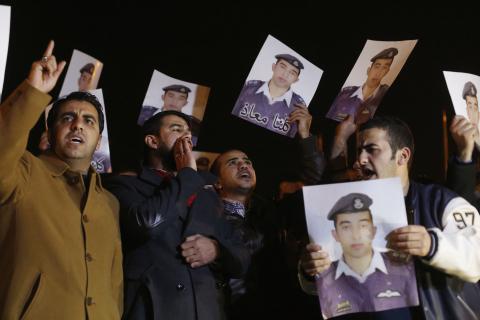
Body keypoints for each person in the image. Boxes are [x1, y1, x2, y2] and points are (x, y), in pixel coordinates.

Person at [300, 116, 480, 319]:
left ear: (402, 156)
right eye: (359, 150)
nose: (361, 159)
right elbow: (330, 284)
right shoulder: (344, 208)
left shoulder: (440, 202)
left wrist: (432, 244)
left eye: (372, 149)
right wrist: (310, 270)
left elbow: (476, 257)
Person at [0, 41, 123, 319]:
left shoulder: (109, 202)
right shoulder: (23, 172)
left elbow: (114, 284)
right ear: (51, 131)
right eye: (67, 118)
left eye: (89, 121)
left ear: (99, 141)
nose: (78, 124)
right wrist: (32, 93)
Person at [104, 110, 250, 320]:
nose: (186, 137)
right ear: (152, 141)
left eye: (189, 133)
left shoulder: (207, 194)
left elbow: (242, 258)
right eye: (176, 129)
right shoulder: (124, 184)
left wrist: (217, 250)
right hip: (153, 309)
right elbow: (147, 224)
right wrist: (188, 175)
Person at [210, 106, 325, 319]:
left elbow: (312, 182)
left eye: (247, 162)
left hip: (277, 308)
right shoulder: (205, 216)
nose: (243, 166)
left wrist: (305, 136)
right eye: (233, 163)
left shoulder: (270, 211)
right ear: (216, 182)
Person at [316, 192, 418, 318]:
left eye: (363, 225)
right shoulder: (326, 279)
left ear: (373, 231)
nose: (356, 235)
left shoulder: (403, 269)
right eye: (346, 227)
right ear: (335, 235)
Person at [231, 53, 307, 138]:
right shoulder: (247, 88)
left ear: (296, 80)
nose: (285, 74)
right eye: (283, 67)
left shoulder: (298, 107)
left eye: (292, 73)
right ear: (273, 67)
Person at [326, 47, 398, 125]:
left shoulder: (383, 95)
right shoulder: (345, 93)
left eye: (384, 68)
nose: (378, 73)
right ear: (368, 70)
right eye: (377, 66)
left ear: (386, 72)